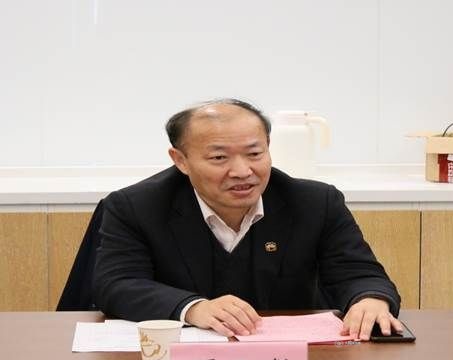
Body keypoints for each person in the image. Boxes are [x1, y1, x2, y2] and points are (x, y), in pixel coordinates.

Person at [93, 98, 403, 340]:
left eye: (255, 154)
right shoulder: (136, 206)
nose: (243, 171)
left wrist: (370, 299)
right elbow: (117, 284)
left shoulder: (315, 203)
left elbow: (359, 273)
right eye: (219, 157)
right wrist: (194, 308)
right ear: (181, 160)